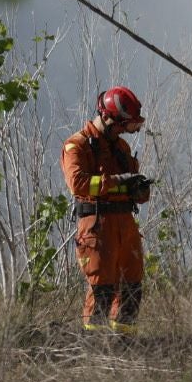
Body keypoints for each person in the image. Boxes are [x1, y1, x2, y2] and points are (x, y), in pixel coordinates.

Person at [61, 85, 153, 333]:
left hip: (126, 226)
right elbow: (78, 183)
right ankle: (95, 349)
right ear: (107, 117)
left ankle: (125, 347)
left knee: (131, 290)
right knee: (102, 290)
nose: (124, 131)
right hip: (97, 227)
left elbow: (131, 183)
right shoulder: (76, 146)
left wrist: (139, 189)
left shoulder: (121, 148)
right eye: (122, 125)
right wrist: (118, 181)